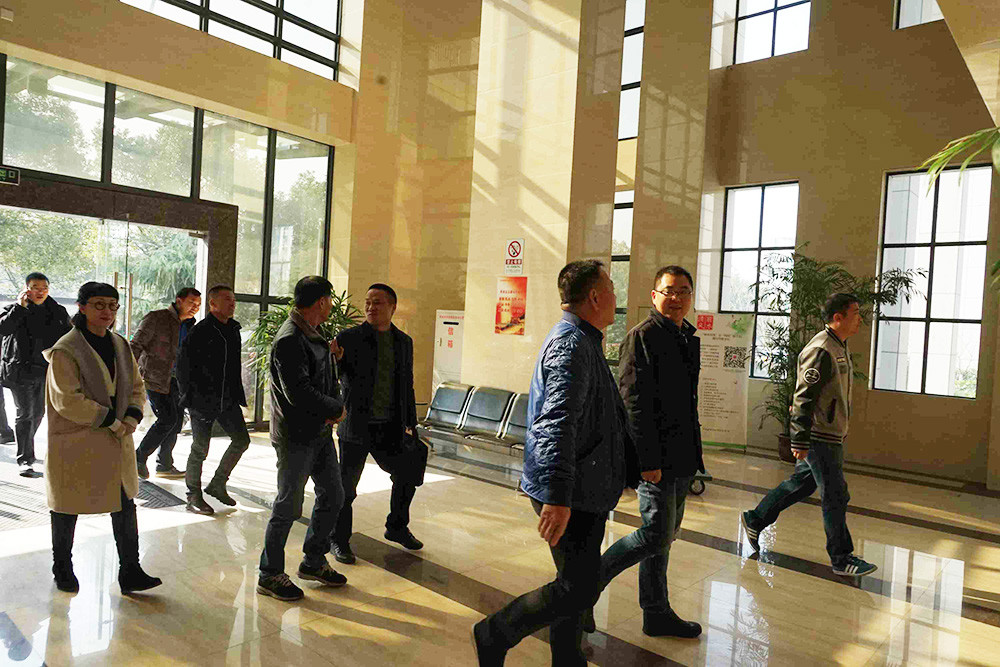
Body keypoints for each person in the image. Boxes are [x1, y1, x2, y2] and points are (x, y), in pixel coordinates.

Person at [472, 260, 639, 667]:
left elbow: (600, 417)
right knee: (579, 589)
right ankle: (494, 632)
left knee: (574, 584)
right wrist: (558, 496)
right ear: (595, 297)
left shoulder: (584, 339)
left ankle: (567, 658)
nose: (615, 295)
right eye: (611, 287)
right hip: (572, 491)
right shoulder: (571, 345)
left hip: (584, 486)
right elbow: (557, 424)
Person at [593, 266, 705, 638]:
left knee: (665, 538)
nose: (676, 298)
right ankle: (585, 588)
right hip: (656, 459)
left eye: (683, 291)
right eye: (669, 291)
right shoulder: (642, 337)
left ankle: (656, 612)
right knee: (656, 534)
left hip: (682, 455)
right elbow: (633, 405)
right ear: (654, 295)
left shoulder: (686, 336)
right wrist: (647, 461)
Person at [741, 293, 878, 577]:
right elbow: (803, 398)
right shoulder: (821, 349)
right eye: (855, 313)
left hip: (828, 432)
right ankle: (841, 558)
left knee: (802, 484)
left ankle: (755, 519)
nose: (860, 319)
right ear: (838, 317)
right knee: (836, 494)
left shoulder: (838, 345)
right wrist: (800, 439)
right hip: (819, 435)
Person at [43, 281, 161, 594]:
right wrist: (112, 421)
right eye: (98, 305)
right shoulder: (66, 349)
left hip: (115, 441)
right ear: (82, 307)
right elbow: (66, 400)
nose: (106, 311)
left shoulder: (120, 344)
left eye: (112, 305)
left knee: (124, 505)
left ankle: (131, 571)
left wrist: (132, 417)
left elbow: (137, 386)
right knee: (66, 507)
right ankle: (62, 568)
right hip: (76, 442)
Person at [257, 276, 348, 602]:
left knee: (333, 495)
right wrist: (336, 408)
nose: (331, 305)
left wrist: (334, 400)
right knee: (288, 505)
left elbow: (322, 379)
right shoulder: (290, 339)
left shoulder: (312, 333)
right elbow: (299, 392)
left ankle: (313, 560)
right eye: (330, 300)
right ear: (321, 301)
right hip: (296, 436)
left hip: (319, 432)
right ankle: (269, 573)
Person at [331, 283, 424, 564]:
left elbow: (407, 384)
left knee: (407, 472)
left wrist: (411, 423)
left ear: (393, 307)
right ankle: (339, 540)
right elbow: (335, 377)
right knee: (346, 489)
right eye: (368, 302)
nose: (371, 307)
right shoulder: (348, 338)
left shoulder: (404, 342)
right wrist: (336, 361)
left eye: (378, 302)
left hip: (390, 426)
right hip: (356, 426)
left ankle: (396, 527)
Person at [176, 285, 250, 515]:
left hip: (228, 399)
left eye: (233, 299)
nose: (232, 303)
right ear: (213, 303)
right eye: (227, 299)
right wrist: (188, 397)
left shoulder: (233, 329)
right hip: (202, 400)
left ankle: (218, 483)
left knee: (241, 440)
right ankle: (193, 496)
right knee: (200, 449)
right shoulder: (200, 331)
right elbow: (183, 367)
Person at [0, 273, 71, 476]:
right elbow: (4, 328)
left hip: (46, 371)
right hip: (20, 370)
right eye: (35, 287)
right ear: (26, 289)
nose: (40, 291)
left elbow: (69, 336)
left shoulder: (57, 311)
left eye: (44, 288)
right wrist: (19, 307)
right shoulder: (14, 310)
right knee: (25, 413)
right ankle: (25, 458)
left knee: (38, 413)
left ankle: (26, 445)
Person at [130, 287, 201, 480]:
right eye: (191, 303)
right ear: (179, 301)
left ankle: (164, 465)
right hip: (155, 377)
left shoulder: (191, 325)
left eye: (198, 304)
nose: (195, 307)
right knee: (167, 418)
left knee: (176, 423)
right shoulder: (156, 318)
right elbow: (135, 345)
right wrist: (129, 375)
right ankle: (138, 457)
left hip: (179, 381)